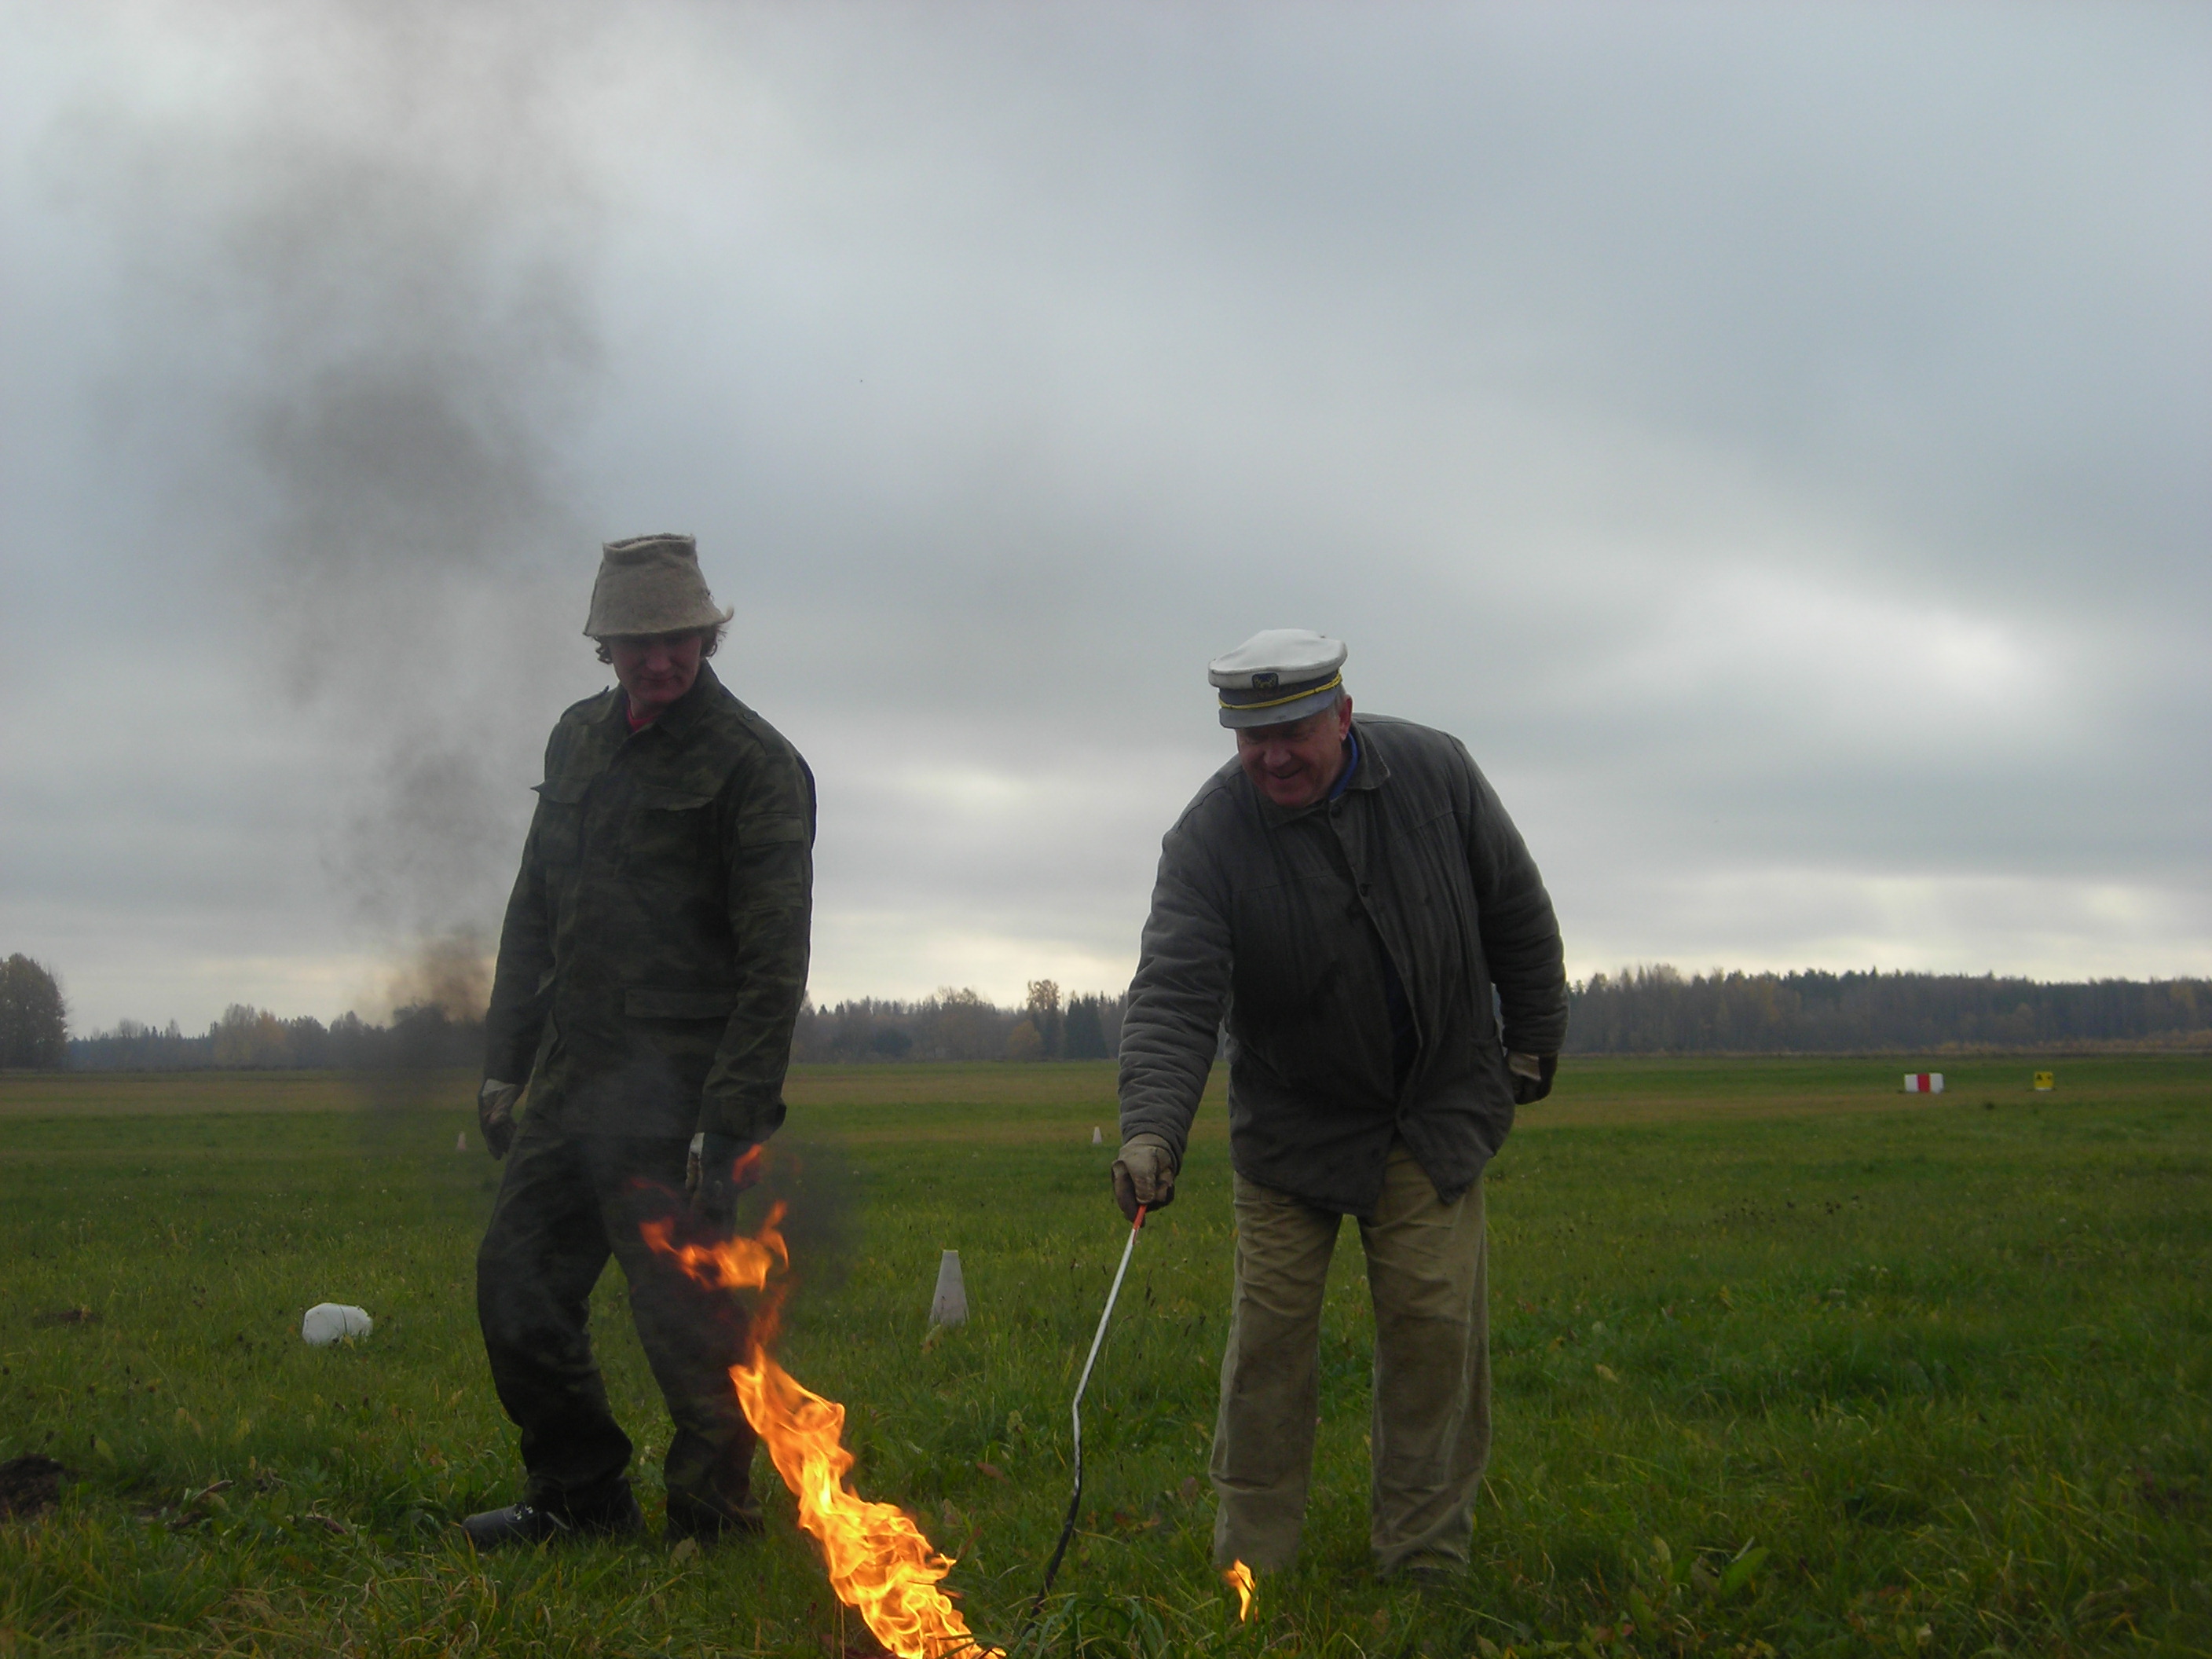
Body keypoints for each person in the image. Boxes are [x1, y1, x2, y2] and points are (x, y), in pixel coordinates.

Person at [1114, 628, 1566, 1582]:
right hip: (1291, 1135)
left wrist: (1532, 1037)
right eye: (1250, 736)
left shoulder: (1434, 774)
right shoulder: (1206, 841)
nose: (1272, 755)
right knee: (1267, 1349)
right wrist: (1151, 1128)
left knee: (1433, 1334)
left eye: (1293, 730)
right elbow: (1175, 991)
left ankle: (1422, 1560)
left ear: (1342, 715)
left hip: (1429, 1113)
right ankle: (1253, 1568)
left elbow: (1515, 909)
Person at [461, 533, 815, 1549]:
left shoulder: (757, 766)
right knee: (515, 1287)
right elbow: (533, 910)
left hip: (682, 1099)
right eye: (637, 640)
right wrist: (503, 1060)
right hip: (574, 1085)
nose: (660, 658)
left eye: (679, 638)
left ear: (708, 635)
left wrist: (730, 1116)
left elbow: (773, 966)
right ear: (604, 646)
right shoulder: (574, 740)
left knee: (691, 1332)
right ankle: (579, 1498)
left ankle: (714, 1524)